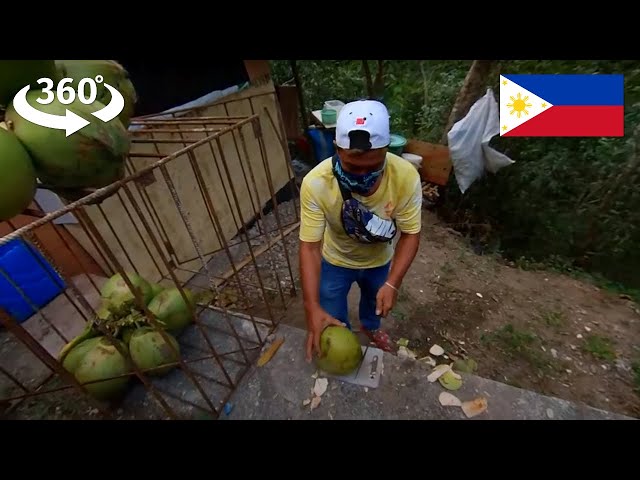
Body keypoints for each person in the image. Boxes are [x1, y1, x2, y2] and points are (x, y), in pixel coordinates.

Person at [298, 99, 422, 362]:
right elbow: (309, 247)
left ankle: (370, 328)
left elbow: (411, 233)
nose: (363, 174)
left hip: (379, 262)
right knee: (330, 317)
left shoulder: (406, 177)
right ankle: (340, 334)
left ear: (387, 150)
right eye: (354, 166)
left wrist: (393, 283)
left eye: (374, 166)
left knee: (374, 306)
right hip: (335, 261)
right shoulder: (316, 184)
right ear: (337, 148)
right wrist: (311, 307)